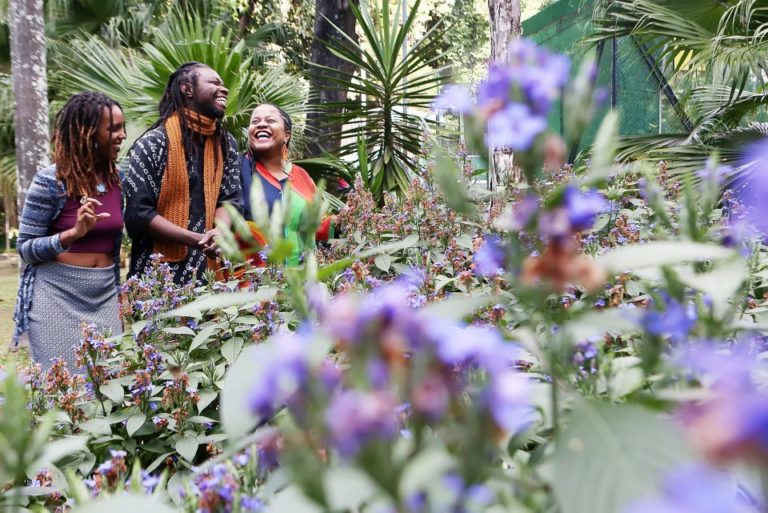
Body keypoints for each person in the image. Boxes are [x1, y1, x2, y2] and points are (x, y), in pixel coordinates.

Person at [13, 92, 126, 370]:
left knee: (109, 387)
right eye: (113, 128)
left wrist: (118, 295)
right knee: (68, 391)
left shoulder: (117, 179)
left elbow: (112, 247)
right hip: (56, 296)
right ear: (87, 133)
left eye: (122, 127)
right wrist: (72, 233)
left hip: (103, 295)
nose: (122, 135)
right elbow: (26, 249)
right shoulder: (51, 182)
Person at [124, 61, 242, 284]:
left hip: (211, 273)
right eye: (214, 82)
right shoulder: (153, 143)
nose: (224, 88)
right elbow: (139, 214)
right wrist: (197, 239)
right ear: (187, 89)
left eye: (224, 84)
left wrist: (220, 231)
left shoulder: (227, 144)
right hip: (158, 277)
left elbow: (230, 200)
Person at [239, 103, 333, 266]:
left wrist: (345, 219)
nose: (261, 124)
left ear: (286, 135)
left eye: (270, 120)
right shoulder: (236, 168)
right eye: (255, 122)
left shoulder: (301, 175)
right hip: (255, 283)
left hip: (303, 281)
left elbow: (317, 227)